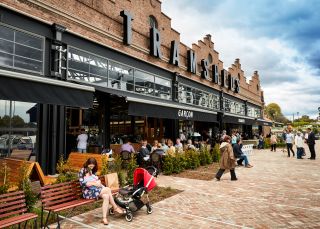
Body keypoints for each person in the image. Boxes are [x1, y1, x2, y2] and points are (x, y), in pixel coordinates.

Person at [78, 158, 123, 225]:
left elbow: (97, 179)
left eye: (93, 166)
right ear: (87, 164)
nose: (91, 168)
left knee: (106, 196)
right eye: (90, 166)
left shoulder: (92, 171)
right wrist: (94, 183)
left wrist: (97, 182)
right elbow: (83, 183)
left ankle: (104, 218)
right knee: (108, 189)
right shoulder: (82, 171)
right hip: (88, 192)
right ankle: (115, 207)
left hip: (96, 190)